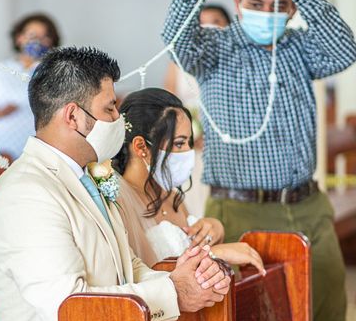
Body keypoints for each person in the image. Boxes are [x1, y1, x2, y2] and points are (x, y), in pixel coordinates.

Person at [162, 0, 356, 321]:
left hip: (308, 207)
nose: (267, 14)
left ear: (290, 11)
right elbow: (174, 36)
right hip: (240, 209)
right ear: (237, 0)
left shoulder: (299, 48)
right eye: (256, 4)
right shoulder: (214, 49)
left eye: (278, 7)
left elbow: (346, 49)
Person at [0, 46, 231, 321]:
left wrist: (185, 281)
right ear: (73, 116)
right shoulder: (26, 193)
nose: (118, 120)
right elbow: (70, 308)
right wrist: (174, 293)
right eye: (110, 108)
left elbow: (128, 266)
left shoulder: (89, 177)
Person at [112, 88, 264, 273]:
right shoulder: (119, 201)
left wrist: (214, 231)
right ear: (141, 146)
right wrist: (214, 253)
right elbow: (141, 274)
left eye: (189, 143)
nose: (188, 153)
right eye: (179, 143)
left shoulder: (171, 196)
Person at [164, 4, 232, 217]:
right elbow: (169, 102)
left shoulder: (233, 65)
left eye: (216, 22)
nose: (208, 28)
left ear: (228, 26)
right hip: (189, 143)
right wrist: (189, 134)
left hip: (225, 144)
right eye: (202, 23)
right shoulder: (178, 63)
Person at [0, 13, 61, 160]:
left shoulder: (55, 73)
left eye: (44, 37)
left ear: (51, 42)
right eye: (32, 35)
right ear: (19, 38)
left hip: (37, 155)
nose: (37, 42)